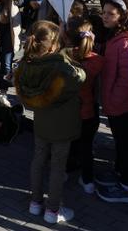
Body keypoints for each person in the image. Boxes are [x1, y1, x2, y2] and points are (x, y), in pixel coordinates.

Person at [15, 20, 85, 224]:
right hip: (61, 124)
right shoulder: (60, 67)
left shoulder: (26, 64)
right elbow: (80, 78)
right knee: (57, 166)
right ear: (54, 46)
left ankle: (35, 203)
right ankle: (53, 210)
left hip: (41, 122)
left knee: (38, 160)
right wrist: (72, 61)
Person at [96, 0, 128, 203]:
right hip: (114, 103)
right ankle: (119, 172)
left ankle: (126, 187)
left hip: (121, 104)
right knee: (120, 142)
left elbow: (126, 80)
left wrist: (113, 102)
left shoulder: (126, 44)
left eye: (110, 14)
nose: (104, 17)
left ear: (122, 17)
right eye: (103, 12)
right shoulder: (114, 38)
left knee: (125, 144)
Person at [63, 16, 104, 195]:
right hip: (89, 111)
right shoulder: (98, 60)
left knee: (67, 143)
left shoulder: (63, 58)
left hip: (68, 111)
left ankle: (64, 171)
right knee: (87, 147)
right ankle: (87, 179)